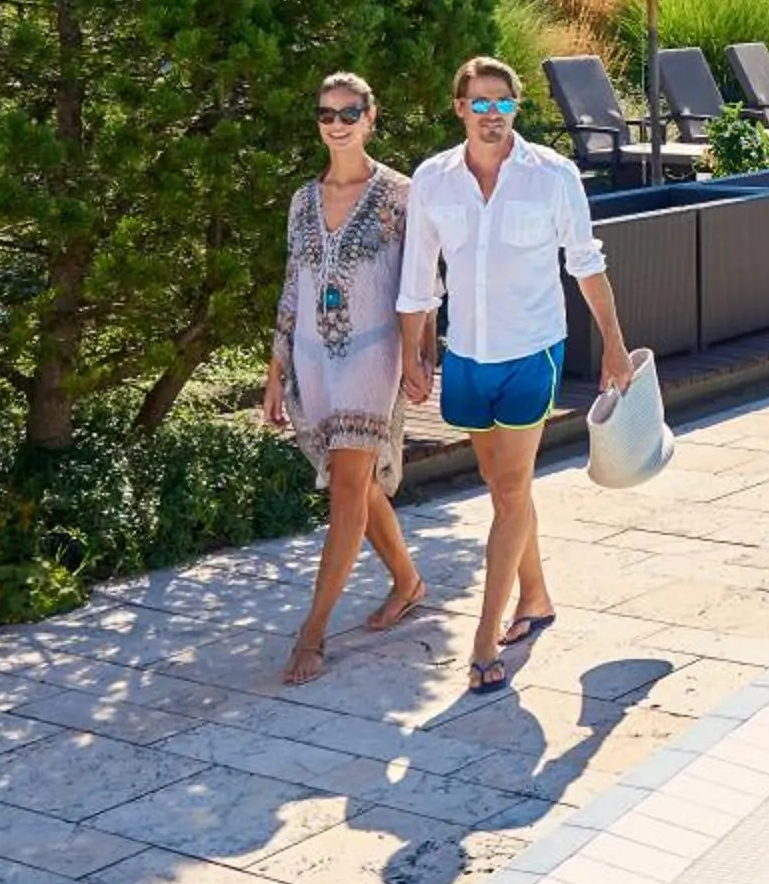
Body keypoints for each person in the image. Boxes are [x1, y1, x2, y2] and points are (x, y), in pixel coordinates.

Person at [398, 56, 632, 692]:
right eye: (480, 102)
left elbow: (586, 262)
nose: (492, 114)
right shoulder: (433, 180)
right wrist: (414, 352)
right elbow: (420, 276)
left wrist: (613, 345)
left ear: (516, 108)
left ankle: (483, 638)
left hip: (533, 349)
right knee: (500, 480)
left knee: (506, 489)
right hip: (467, 353)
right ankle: (536, 596)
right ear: (460, 107)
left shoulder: (552, 175)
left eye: (503, 103)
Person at [265, 72, 428, 685]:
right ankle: (408, 582)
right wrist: (277, 366)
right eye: (326, 113)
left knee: (346, 487)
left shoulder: (400, 195)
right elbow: (292, 285)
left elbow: (419, 285)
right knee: (349, 480)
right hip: (311, 353)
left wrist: (419, 353)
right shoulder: (303, 199)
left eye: (349, 112)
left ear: (371, 116)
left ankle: (312, 633)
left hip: (372, 355)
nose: (337, 123)